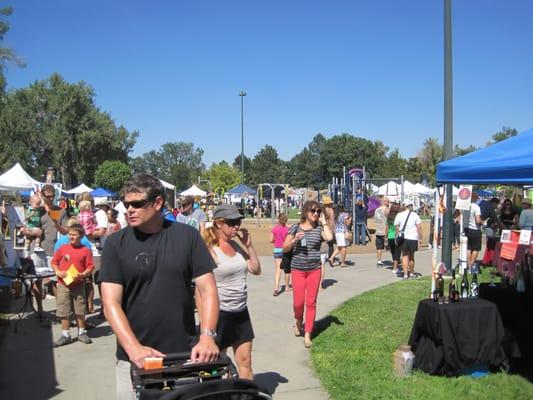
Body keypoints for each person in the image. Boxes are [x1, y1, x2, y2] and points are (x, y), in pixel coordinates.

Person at [100, 174, 219, 400]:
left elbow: (208, 290)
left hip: (184, 354)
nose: (129, 210)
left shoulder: (187, 237)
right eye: (127, 204)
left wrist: (207, 336)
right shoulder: (116, 244)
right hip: (133, 359)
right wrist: (133, 348)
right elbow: (110, 303)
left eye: (137, 204)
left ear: (157, 203)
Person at [201, 204, 261, 379]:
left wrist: (249, 246)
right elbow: (200, 288)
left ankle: (246, 395)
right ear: (219, 223)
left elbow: (255, 269)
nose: (237, 226)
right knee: (215, 367)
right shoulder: (209, 249)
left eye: (238, 222)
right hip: (219, 314)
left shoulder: (235, 245)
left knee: (246, 362)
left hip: (240, 312)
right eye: (232, 222)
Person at [282, 200, 333, 348]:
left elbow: (329, 238)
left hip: (314, 269)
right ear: (305, 212)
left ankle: (308, 333)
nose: (316, 213)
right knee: (298, 302)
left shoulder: (319, 229)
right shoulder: (295, 228)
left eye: (318, 211)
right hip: (298, 270)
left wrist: (324, 222)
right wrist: (293, 241)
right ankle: (298, 320)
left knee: (311, 302)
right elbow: (284, 248)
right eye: (313, 211)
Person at [51, 223, 94, 347]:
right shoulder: (63, 249)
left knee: (80, 308)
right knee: (63, 309)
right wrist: (58, 272)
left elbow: (90, 266)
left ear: (81, 236)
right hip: (64, 284)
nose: (71, 237)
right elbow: (54, 262)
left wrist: (83, 274)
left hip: (79, 284)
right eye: (70, 234)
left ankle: (82, 332)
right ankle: (65, 335)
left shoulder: (85, 250)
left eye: (74, 234)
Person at [394, 200, 422, 279]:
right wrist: (420, 238)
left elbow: (397, 228)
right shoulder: (415, 215)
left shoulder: (399, 215)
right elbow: (419, 227)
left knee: (404, 255)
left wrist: (396, 237)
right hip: (413, 237)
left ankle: (405, 274)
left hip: (403, 237)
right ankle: (412, 273)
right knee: (411, 256)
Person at [270, 213, 290, 296]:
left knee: (278, 269)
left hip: (277, 250)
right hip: (285, 250)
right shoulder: (288, 229)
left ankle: (276, 288)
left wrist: (276, 241)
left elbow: (271, 240)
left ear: (278, 219)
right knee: (287, 269)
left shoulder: (274, 229)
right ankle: (287, 287)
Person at [465, 192, 482, 268]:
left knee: (468, 247)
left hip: (467, 228)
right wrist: (482, 222)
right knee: (476, 248)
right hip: (475, 229)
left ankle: (468, 264)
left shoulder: (465, 206)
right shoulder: (476, 207)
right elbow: (478, 221)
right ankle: (472, 264)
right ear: (475, 198)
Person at [387, 201, 402, 276]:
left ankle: (395, 264)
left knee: (393, 252)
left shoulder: (389, 216)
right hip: (396, 235)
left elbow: (387, 227)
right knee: (397, 252)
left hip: (390, 235)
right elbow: (398, 227)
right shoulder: (398, 216)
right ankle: (395, 268)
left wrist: (386, 237)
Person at [374, 197, 390, 266]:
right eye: (388, 201)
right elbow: (389, 220)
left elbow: (375, 220)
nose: (389, 203)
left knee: (379, 247)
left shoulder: (376, 210)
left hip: (378, 231)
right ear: (384, 202)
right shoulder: (386, 210)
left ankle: (379, 261)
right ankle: (394, 259)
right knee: (390, 246)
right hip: (385, 231)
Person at [321, 196, 336, 267]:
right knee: (331, 244)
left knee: (324, 243)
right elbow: (332, 221)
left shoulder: (322, 210)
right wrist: (333, 228)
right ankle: (331, 258)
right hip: (330, 228)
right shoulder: (331, 210)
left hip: (324, 227)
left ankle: (323, 256)